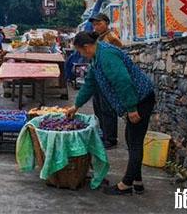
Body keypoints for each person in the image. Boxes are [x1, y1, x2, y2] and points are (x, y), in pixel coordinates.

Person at [65, 31, 155, 195]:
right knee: (131, 139)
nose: (80, 55)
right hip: (136, 100)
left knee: (134, 141)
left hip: (141, 99)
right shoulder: (96, 58)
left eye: (79, 51)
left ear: (86, 47)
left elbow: (123, 81)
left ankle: (126, 185)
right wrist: (76, 106)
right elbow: (89, 84)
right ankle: (137, 181)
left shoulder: (106, 56)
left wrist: (132, 108)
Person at [89, 13, 123, 149]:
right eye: (94, 24)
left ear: (106, 23)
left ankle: (111, 138)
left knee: (107, 108)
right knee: (98, 107)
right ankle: (104, 134)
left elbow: (117, 56)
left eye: (99, 23)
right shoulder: (98, 38)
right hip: (98, 76)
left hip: (108, 78)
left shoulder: (111, 37)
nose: (96, 26)